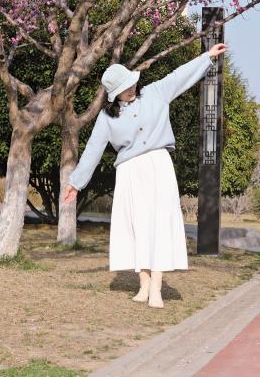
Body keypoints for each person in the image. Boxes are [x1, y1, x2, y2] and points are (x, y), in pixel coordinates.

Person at [62, 43, 227, 309]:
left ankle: (157, 289)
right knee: (137, 227)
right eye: (124, 88)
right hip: (129, 173)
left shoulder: (155, 93)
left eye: (131, 83)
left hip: (158, 167)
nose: (131, 89)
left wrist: (206, 57)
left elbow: (178, 76)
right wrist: (76, 184)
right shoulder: (107, 117)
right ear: (113, 95)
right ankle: (144, 284)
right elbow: (93, 149)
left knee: (159, 225)